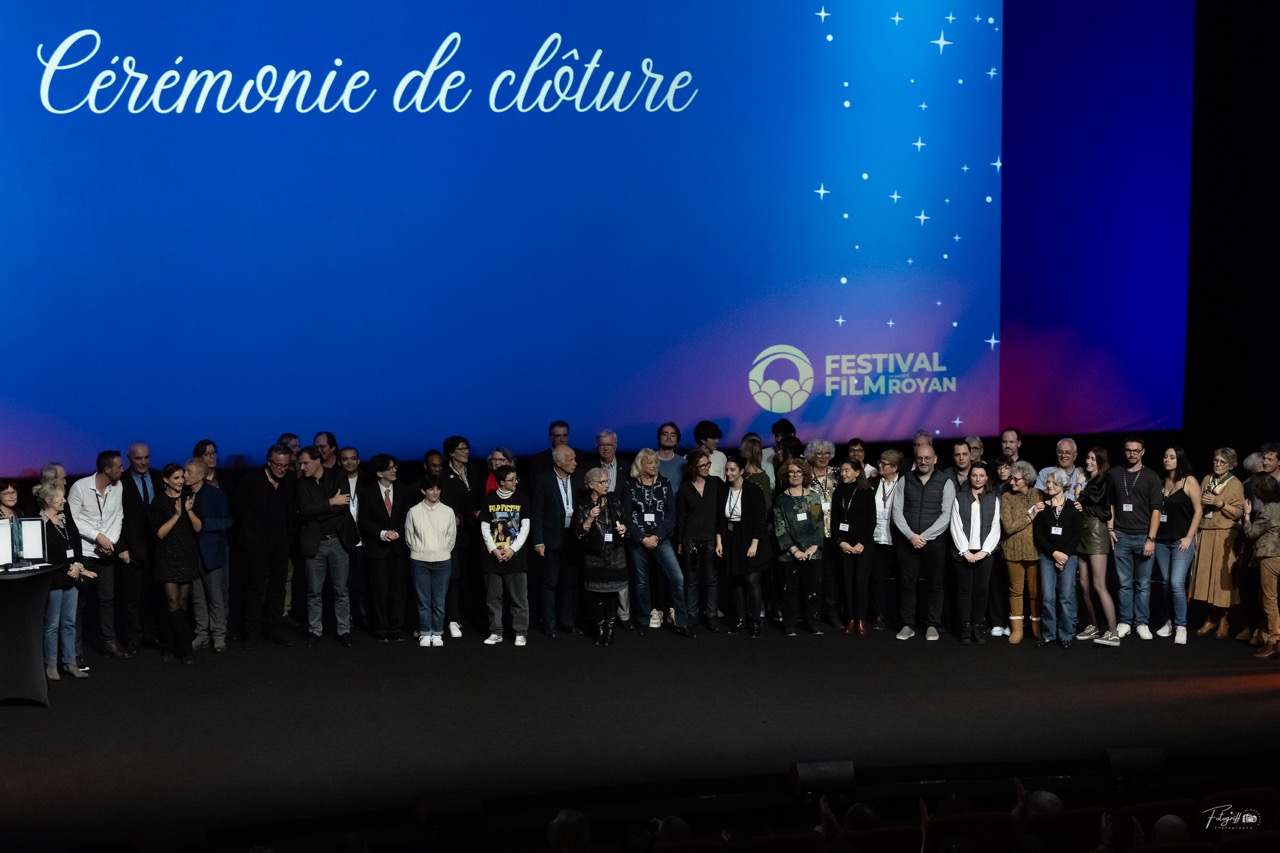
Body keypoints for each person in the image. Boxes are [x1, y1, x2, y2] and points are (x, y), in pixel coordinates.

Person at [624, 448, 694, 638]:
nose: (654, 465)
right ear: (640, 465)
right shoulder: (630, 485)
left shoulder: (665, 483)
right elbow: (627, 515)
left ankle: (681, 622)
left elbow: (671, 514)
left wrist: (657, 537)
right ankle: (644, 620)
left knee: (677, 578)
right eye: (650, 462)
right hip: (639, 539)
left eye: (656, 462)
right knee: (641, 582)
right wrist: (642, 538)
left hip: (660, 538)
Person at [233, 444, 297, 649]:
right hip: (256, 545)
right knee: (256, 589)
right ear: (269, 462)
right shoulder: (251, 480)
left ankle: (274, 628)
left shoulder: (290, 480)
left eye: (286, 465)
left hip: (281, 545)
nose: (282, 469)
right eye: (278, 465)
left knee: (278, 587)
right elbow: (238, 511)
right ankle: (251, 632)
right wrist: (250, 538)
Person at [67, 450, 129, 659]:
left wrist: (109, 542)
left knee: (107, 600)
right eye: (119, 466)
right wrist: (97, 537)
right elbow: (73, 519)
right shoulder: (80, 487)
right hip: (84, 553)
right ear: (107, 469)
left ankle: (109, 642)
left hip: (106, 553)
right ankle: (75, 650)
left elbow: (118, 515)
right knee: (80, 602)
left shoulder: (118, 486)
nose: (122, 470)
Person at [892, 442, 955, 641]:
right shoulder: (905, 480)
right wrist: (911, 535)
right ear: (915, 459)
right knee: (907, 584)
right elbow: (897, 511)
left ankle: (932, 625)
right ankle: (908, 624)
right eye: (920, 458)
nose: (923, 461)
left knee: (935, 585)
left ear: (935, 459)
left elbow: (946, 515)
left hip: (934, 543)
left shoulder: (945, 481)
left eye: (927, 458)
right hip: (908, 541)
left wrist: (924, 537)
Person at [296, 446, 358, 647]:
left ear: (317, 460)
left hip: (338, 541)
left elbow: (343, 507)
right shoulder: (301, 484)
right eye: (300, 464)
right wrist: (331, 502)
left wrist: (318, 511)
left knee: (341, 590)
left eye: (305, 463)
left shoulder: (338, 476)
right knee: (314, 591)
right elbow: (304, 511)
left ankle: (343, 630)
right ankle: (315, 631)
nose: (302, 467)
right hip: (315, 543)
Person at [36, 480, 95, 680]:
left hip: (72, 578)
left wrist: (78, 566)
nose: (64, 501)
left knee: (69, 622)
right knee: (52, 623)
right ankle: (51, 664)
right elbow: (44, 554)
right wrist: (68, 568)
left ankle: (70, 662)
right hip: (54, 578)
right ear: (49, 500)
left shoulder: (64, 519)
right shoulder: (40, 524)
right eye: (60, 498)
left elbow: (75, 543)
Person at [1108, 436, 1163, 640]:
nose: (1132, 454)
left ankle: (1141, 622)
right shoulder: (1115, 473)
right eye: (1128, 450)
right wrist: (1110, 528)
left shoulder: (1151, 476)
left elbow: (1156, 510)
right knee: (1124, 583)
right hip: (1121, 535)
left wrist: (1151, 539)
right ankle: (1125, 621)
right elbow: (1110, 504)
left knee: (1143, 584)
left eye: (1136, 451)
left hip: (1143, 537)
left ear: (1143, 452)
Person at [148, 462, 203, 663]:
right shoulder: (159, 502)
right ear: (166, 480)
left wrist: (189, 511)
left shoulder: (190, 497)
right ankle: (184, 647)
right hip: (166, 557)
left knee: (182, 604)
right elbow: (160, 533)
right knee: (172, 603)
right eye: (176, 478)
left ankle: (173, 645)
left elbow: (198, 528)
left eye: (182, 477)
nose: (181, 481)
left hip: (186, 555)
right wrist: (177, 515)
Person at [1191, 447, 1246, 639]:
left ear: (1231, 465)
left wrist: (1220, 503)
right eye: (1215, 460)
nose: (1218, 464)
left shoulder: (1235, 483)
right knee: (1206, 578)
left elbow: (1239, 512)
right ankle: (1211, 617)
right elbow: (1198, 505)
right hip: (1206, 531)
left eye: (1222, 462)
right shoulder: (1207, 479)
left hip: (1225, 534)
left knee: (1222, 579)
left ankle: (1224, 619)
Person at [716, 456, 772, 638]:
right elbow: (719, 519)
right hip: (731, 539)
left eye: (732, 469)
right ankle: (741, 620)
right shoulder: (723, 490)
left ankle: (756, 621)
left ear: (741, 471)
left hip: (750, 539)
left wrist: (754, 543)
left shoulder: (753, 489)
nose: (728, 473)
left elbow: (760, 519)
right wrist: (719, 541)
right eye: (727, 469)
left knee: (752, 581)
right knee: (736, 581)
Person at [118, 441, 166, 654]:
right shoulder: (120, 482)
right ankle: (134, 637)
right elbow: (114, 518)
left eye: (147, 457)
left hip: (158, 548)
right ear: (129, 458)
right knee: (133, 597)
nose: (144, 462)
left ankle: (152, 634)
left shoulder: (159, 477)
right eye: (139, 458)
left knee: (155, 595)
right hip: (132, 548)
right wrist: (121, 547)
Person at [1151, 446, 1202, 644]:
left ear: (1179, 459)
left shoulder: (1189, 481)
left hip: (1181, 541)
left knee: (1176, 583)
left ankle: (1181, 626)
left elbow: (1198, 510)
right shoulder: (1161, 481)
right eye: (1165, 456)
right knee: (1165, 583)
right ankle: (1170, 621)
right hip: (1162, 541)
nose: (1167, 459)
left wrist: (1189, 536)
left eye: (1172, 457)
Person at [532, 445, 584, 637]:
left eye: (575, 458)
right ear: (558, 461)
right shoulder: (543, 480)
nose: (575, 463)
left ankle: (568, 622)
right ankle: (550, 624)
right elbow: (537, 512)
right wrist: (538, 540)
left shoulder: (578, 478)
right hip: (550, 539)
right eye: (571, 460)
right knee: (550, 582)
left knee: (570, 583)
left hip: (573, 539)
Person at [359, 454, 411, 644]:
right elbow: (364, 521)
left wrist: (397, 533)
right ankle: (381, 629)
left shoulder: (404, 490)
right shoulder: (368, 493)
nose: (394, 470)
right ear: (379, 473)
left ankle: (397, 628)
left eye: (395, 466)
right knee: (379, 591)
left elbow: (408, 518)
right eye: (389, 468)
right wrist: (381, 533)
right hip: (378, 550)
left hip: (398, 549)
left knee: (398, 590)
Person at [574, 467, 628, 645]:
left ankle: (610, 629)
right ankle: (600, 629)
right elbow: (578, 534)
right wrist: (589, 518)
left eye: (607, 481)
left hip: (614, 553)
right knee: (596, 594)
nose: (606, 485)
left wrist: (624, 528)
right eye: (602, 482)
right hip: (595, 555)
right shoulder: (583, 504)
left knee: (612, 593)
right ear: (591, 485)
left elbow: (625, 520)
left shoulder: (614, 500)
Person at [480, 465, 532, 646]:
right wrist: (494, 550)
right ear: (502, 482)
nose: (515, 482)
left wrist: (512, 549)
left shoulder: (522, 499)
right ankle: (496, 632)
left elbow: (525, 528)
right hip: (493, 558)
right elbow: (485, 527)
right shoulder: (489, 499)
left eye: (516, 478)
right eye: (511, 479)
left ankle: (520, 632)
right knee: (493, 598)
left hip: (515, 557)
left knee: (519, 599)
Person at [949, 463, 1001, 645]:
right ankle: (965, 626)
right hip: (963, 552)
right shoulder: (960, 497)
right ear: (969, 477)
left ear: (987, 478)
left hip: (985, 553)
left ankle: (977, 625)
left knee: (982, 590)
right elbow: (955, 525)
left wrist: (984, 551)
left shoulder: (993, 499)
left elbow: (995, 527)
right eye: (974, 475)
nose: (978, 479)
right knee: (964, 590)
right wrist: (965, 551)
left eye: (981, 475)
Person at [1031, 468, 1083, 648]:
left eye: (1053, 482)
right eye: (1048, 482)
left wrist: (1064, 555)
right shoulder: (1042, 507)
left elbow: (1077, 535)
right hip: (1047, 557)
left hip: (1069, 557)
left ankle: (1066, 635)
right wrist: (1054, 553)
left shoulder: (1074, 507)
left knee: (1066, 597)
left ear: (1062, 484)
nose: (1049, 485)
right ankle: (1049, 634)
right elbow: (1038, 536)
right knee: (1048, 597)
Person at [774, 457, 825, 636]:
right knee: (789, 591)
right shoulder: (781, 500)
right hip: (790, 554)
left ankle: (813, 623)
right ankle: (789, 624)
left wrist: (813, 547)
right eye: (791, 472)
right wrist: (794, 550)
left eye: (799, 472)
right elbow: (780, 528)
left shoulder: (814, 497)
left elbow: (818, 522)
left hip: (813, 552)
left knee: (813, 589)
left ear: (804, 474)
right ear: (786, 475)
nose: (795, 475)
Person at [440, 435, 484, 637]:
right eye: (461, 449)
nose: (466, 452)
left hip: (478, 530)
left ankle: (476, 615)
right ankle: (456, 616)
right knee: (457, 576)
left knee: (476, 575)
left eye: (467, 448)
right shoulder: (444, 475)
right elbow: (447, 501)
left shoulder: (475, 470)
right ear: (451, 453)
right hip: (458, 532)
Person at [404, 475, 456, 647]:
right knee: (423, 600)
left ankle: (438, 632)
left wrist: (441, 550)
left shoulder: (448, 511)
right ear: (423, 491)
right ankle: (425, 632)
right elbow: (409, 537)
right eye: (431, 489)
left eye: (438, 489)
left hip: (442, 560)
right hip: (420, 561)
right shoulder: (414, 511)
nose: (435, 492)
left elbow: (451, 537)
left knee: (439, 600)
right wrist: (421, 550)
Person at [1076, 448, 1120, 647]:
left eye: (1093, 459)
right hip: (1083, 531)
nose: (1089, 461)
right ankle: (1095, 626)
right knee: (1084, 583)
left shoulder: (1102, 479)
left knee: (1099, 585)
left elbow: (1083, 500)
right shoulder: (1092, 480)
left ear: (1101, 461)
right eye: (1087, 458)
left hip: (1095, 530)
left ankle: (1113, 633)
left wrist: (1079, 484)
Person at [187, 458, 231, 653]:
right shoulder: (184, 495)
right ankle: (202, 634)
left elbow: (226, 521)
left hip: (211, 552)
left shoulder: (215, 495)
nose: (184, 475)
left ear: (200, 476)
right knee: (198, 598)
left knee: (216, 597)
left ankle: (219, 635)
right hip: (192, 554)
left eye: (189, 472)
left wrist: (203, 524)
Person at [677, 449, 723, 632]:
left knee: (711, 579)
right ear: (693, 467)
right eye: (702, 465)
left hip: (711, 537)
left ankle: (711, 615)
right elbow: (681, 517)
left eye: (707, 464)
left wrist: (720, 538)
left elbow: (721, 512)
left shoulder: (716, 483)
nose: (706, 468)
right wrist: (680, 542)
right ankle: (692, 615)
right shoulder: (685, 489)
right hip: (691, 539)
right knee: (692, 580)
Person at [999, 461, 1044, 644]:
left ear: (1027, 479)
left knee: (1035, 592)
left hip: (1035, 550)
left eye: (1016, 479)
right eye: (1011, 478)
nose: (1012, 482)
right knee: (1016, 591)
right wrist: (1029, 516)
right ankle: (1017, 629)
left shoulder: (1038, 494)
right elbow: (1008, 527)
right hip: (1013, 551)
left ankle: (1037, 627)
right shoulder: (1007, 498)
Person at [831, 460, 876, 635]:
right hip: (844, 544)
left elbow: (872, 521)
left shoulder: (867, 492)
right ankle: (850, 618)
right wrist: (840, 542)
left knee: (861, 584)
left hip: (863, 545)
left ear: (857, 472)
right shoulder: (838, 492)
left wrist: (862, 543)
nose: (843, 474)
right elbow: (835, 520)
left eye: (847, 470)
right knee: (847, 583)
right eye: (841, 470)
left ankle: (861, 619)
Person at [1243, 475, 1280, 659]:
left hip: (1271, 557)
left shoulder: (1267, 511)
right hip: (1273, 556)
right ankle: (1270, 636)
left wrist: (1246, 515)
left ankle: (1274, 642)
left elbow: (1251, 533)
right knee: (1266, 598)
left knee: (1269, 599)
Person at [804, 440, 840, 627]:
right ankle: (813, 616)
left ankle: (832, 614)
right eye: (819, 453)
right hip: (813, 534)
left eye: (827, 453)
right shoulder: (805, 475)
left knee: (832, 577)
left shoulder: (838, 473)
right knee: (813, 578)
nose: (823, 457)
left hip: (834, 533)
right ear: (812, 455)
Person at [868, 450, 903, 631]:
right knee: (877, 579)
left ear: (895, 467)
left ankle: (900, 616)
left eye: (884, 463)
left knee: (901, 579)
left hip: (897, 539)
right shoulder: (872, 482)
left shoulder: (904, 483)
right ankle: (879, 615)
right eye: (879, 462)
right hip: (876, 539)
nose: (880, 465)